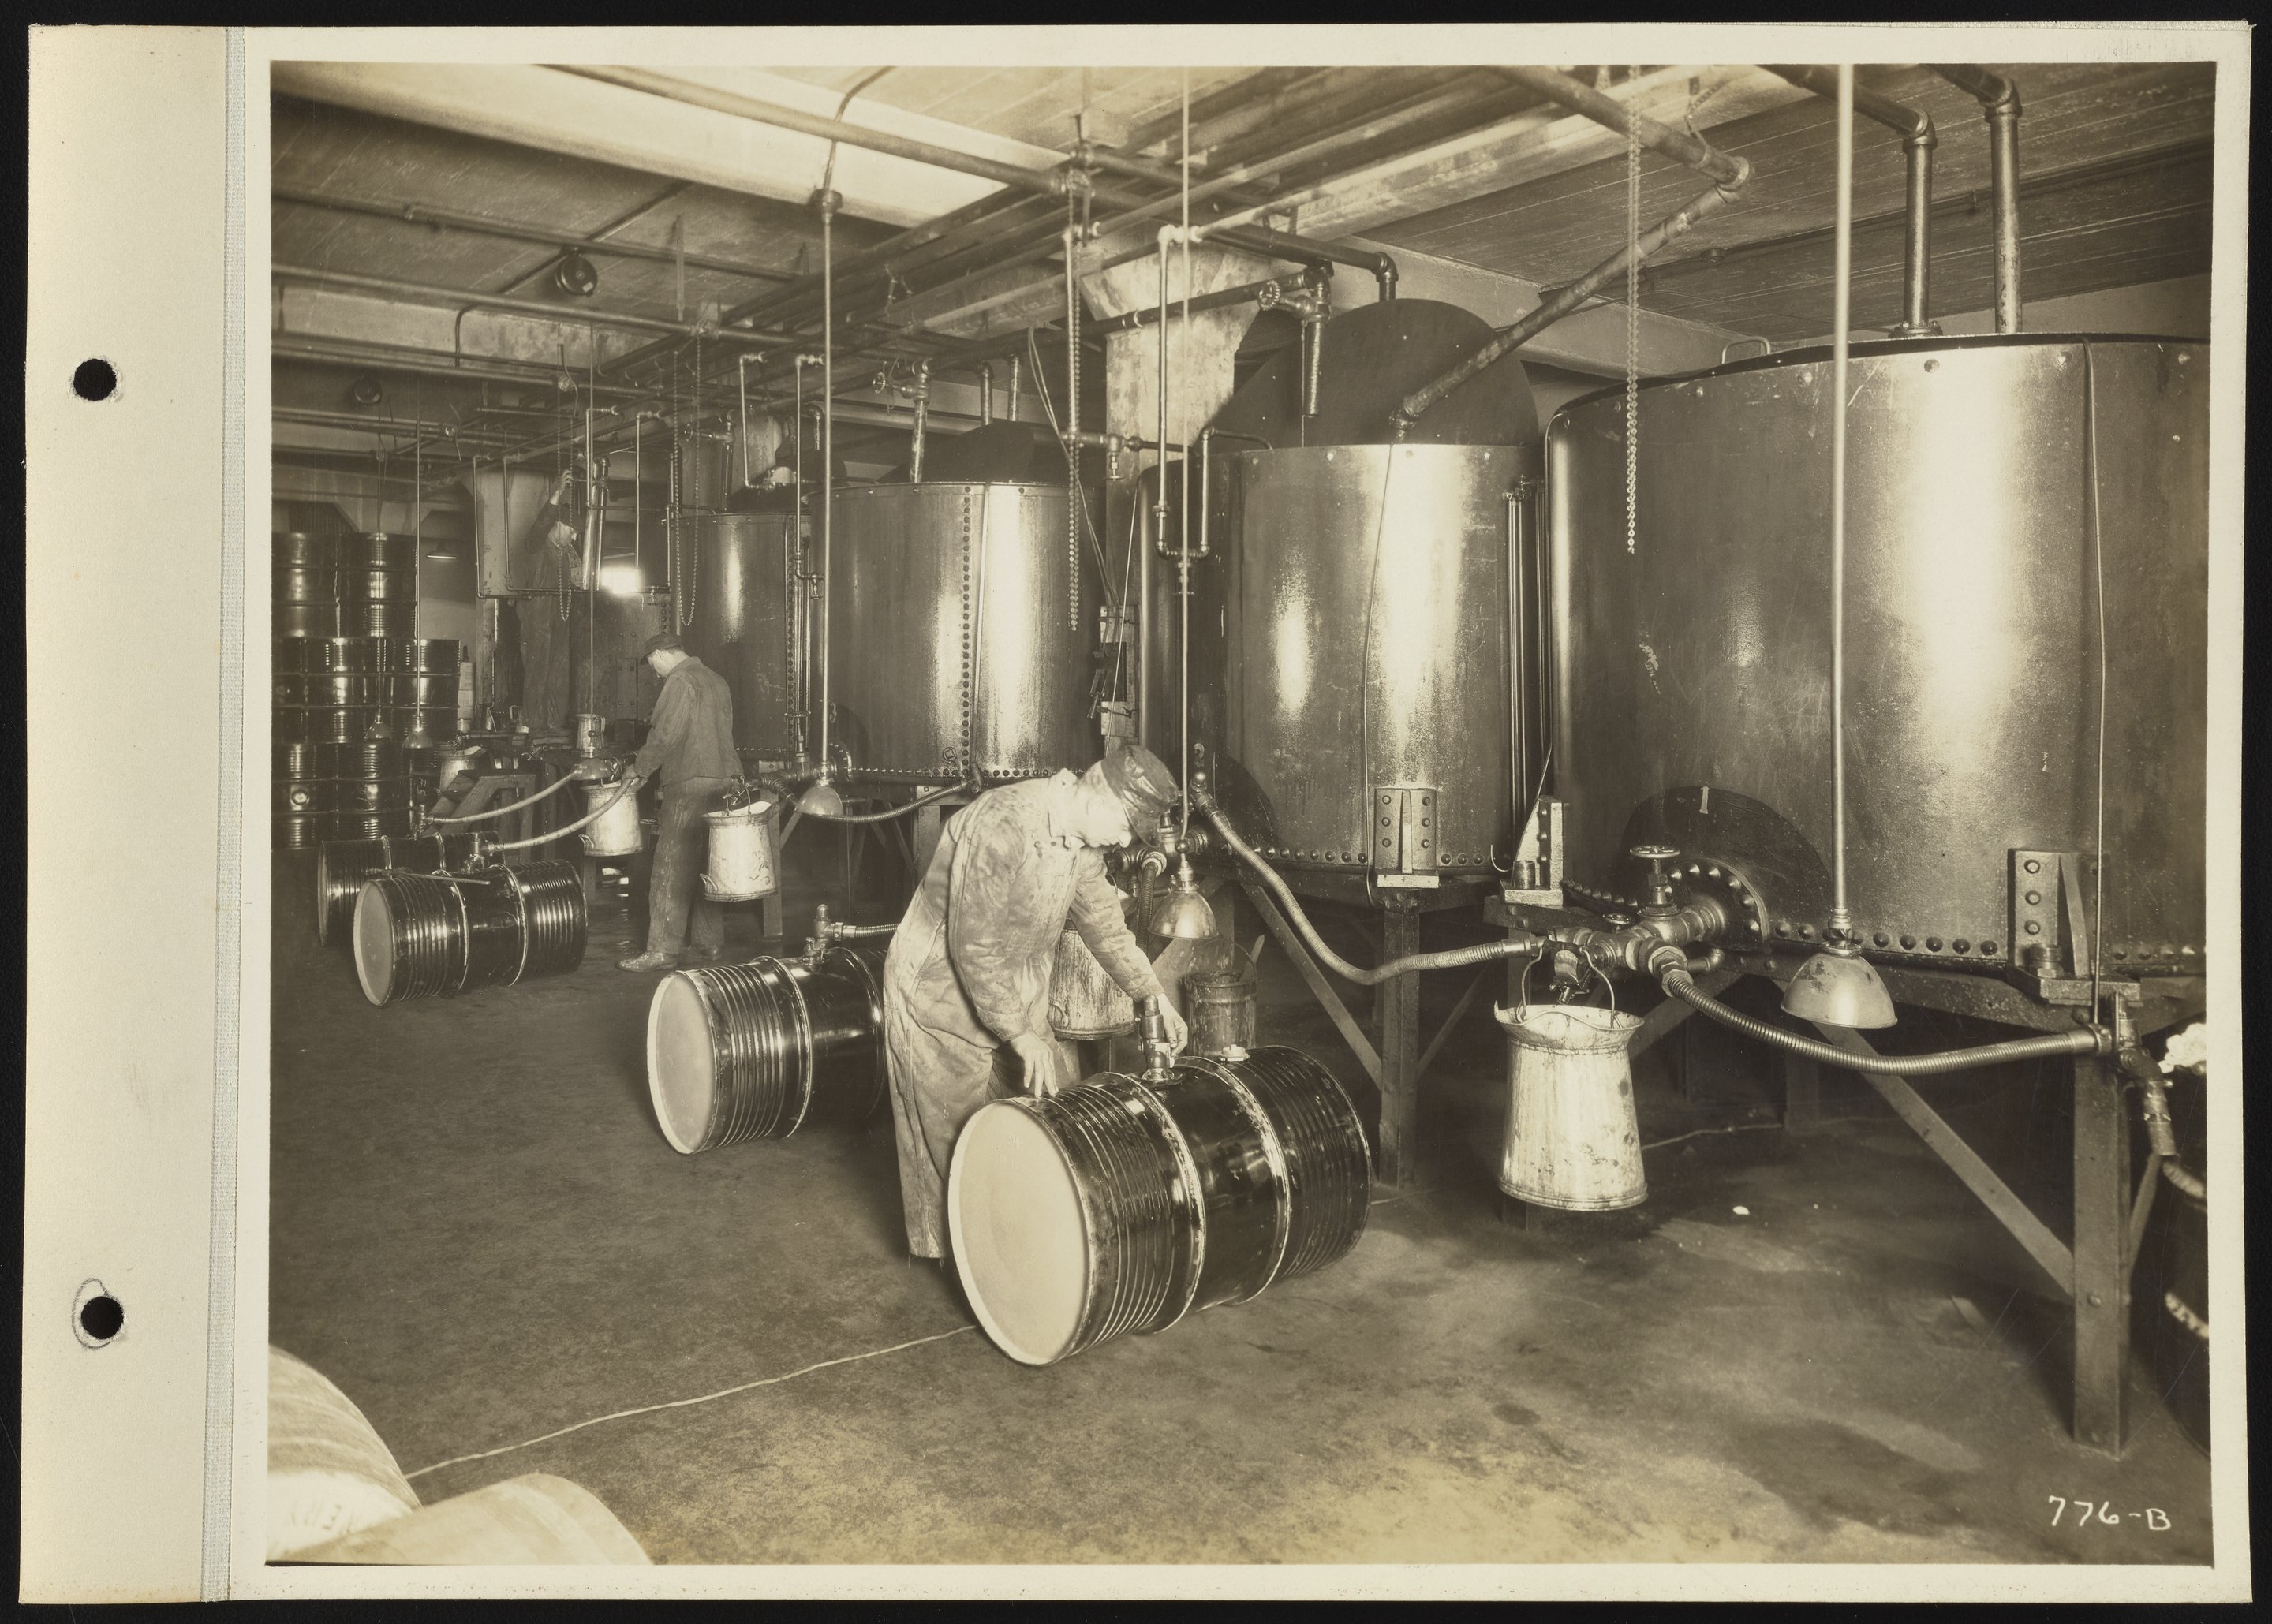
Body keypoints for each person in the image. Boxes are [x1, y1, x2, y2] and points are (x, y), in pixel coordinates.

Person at [881, 744, 1191, 1263]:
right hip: (940, 995)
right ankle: (969, 1266)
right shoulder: (1002, 823)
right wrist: (1020, 1035)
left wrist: (1152, 993)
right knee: (955, 1149)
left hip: (1017, 995)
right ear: (1098, 797)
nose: (1123, 842)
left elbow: (1106, 930)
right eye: (1124, 827)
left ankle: (1021, 1242)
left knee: (1052, 1120)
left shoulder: (1082, 847)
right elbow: (973, 945)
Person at [617, 632, 738, 972]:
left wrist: (639, 768)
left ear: (658, 655)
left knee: (671, 863)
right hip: (725, 779)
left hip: (690, 779)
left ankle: (662, 950)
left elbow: (665, 734)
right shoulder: (716, 679)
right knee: (708, 863)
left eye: (652, 663)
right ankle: (709, 942)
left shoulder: (680, 680)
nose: (655, 671)